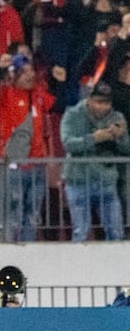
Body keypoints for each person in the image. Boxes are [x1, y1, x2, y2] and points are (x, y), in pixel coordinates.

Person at [0, 53, 66, 241]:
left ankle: (28, 249)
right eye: (24, 72)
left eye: (31, 71)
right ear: (13, 75)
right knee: (14, 210)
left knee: (33, 213)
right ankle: (10, 249)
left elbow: (58, 105)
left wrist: (59, 83)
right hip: (14, 165)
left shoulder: (38, 94)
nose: (30, 76)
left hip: (37, 164)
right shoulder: (6, 93)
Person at [60, 81, 130, 241]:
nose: (104, 107)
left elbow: (127, 149)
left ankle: (113, 266)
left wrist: (122, 137)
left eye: (107, 102)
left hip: (106, 182)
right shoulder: (73, 114)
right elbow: (68, 144)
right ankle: (78, 266)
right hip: (78, 181)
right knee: (80, 233)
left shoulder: (117, 117)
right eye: (99, 102)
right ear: (89, 99)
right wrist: (94, 139)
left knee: (116, 233)